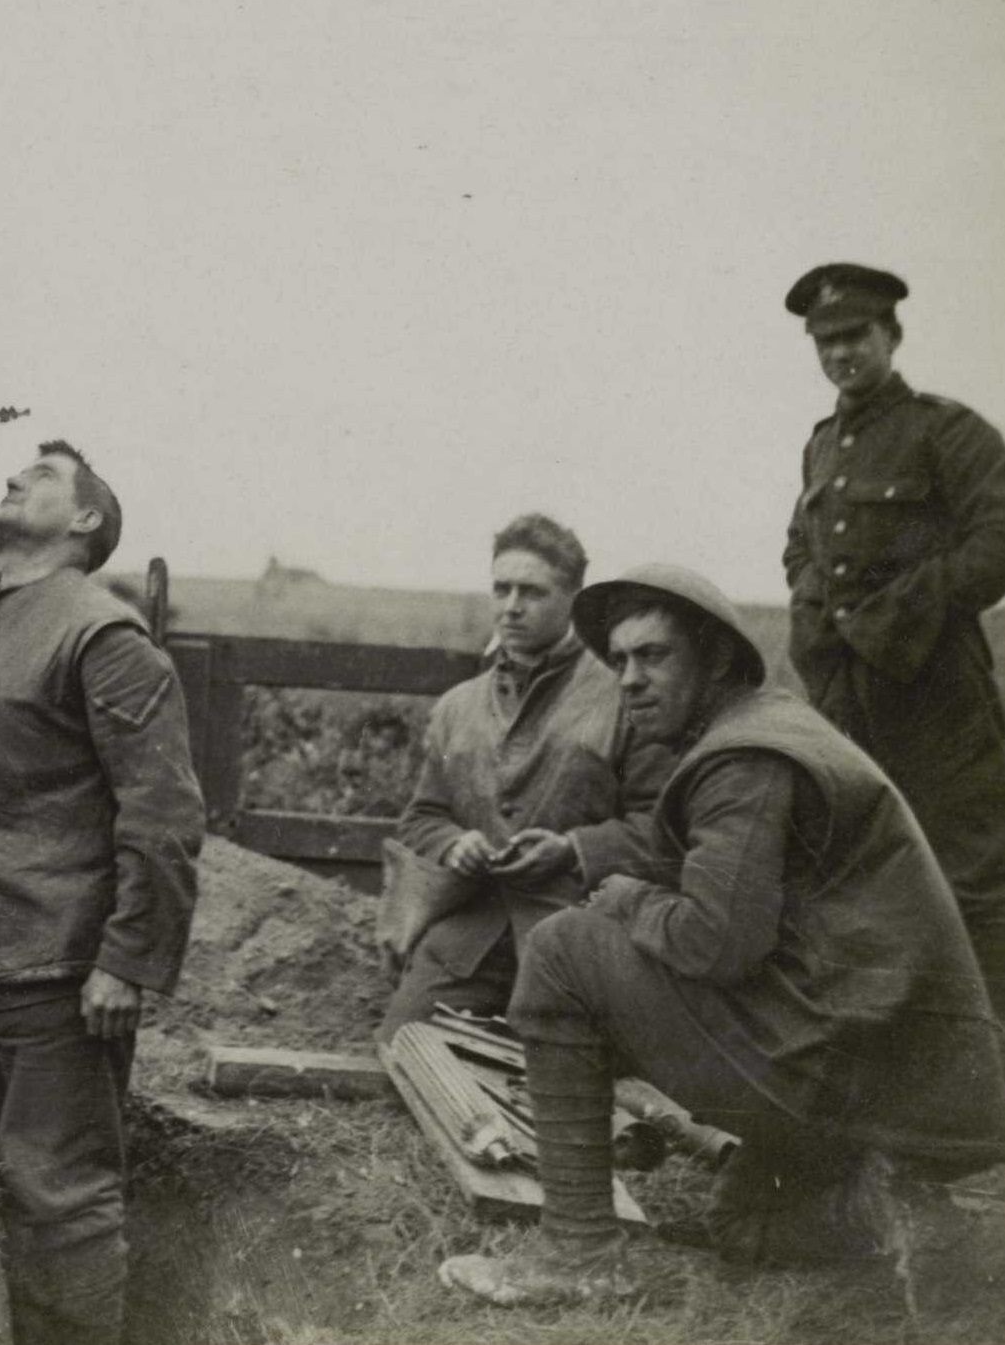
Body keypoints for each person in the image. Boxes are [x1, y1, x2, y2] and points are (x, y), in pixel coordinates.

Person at [439, 564, 1005, 1309]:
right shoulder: (765, 727)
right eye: (620, 660)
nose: (630, 679)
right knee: (749, 1223)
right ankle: (888, 1207)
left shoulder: (743, 758)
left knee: (560, 948)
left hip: (845, 1058)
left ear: (716, 660)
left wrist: (626, 899)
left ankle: (575, 1251)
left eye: (654, 655)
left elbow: (715, 943)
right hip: (888, 1069)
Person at [0, 440, 205, 1345]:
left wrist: (125, 958)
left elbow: (162, 809)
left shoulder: (100, 632)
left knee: (57, 1195)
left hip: (57, 970)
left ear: (85, 522)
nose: (13, 477)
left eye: (42, 475)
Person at [780, 263, 1005, 1019]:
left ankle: (988, 1082)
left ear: (891, 335)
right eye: (825, 342)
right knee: (864, 872)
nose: (840, 354)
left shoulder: (948, 431)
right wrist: (815, 620)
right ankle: (903, 1060)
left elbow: (996, 542)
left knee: (968, 881)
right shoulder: (819, 447)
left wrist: (903, 614)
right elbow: (798, 548)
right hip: (848, 700)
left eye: (854, 336)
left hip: (937, 695)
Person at [381, 515, 667, 1036]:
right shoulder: (458, 707)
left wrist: (573, 849)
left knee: (560, 1069)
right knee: (404, 1043)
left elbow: (661, 830)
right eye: (501, 588)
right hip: (474, 935)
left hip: (582, 932)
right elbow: (422, 816)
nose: (511, 607)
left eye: (532, 591)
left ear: (574, 598)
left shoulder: (623, 696)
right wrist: (453, 843)